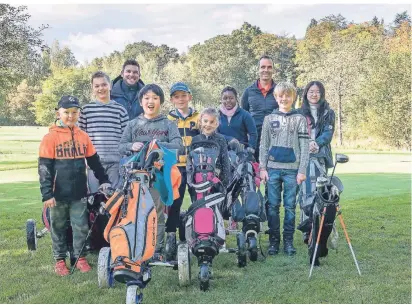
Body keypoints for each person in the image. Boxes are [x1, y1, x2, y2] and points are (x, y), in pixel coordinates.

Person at [38, 95, 111, 276]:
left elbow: (94, 161)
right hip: (57, 194)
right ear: (58, 113)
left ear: (78, 113)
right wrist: (47, 194)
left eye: (74, 112)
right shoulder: (50, 138)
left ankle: (80, 258)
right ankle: (60, 260)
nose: (70, 116)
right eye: (66, 112)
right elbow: (44, 169)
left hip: (79, 193)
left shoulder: (83, 136)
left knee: (81, 226)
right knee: (58, 226)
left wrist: (103, 179)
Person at [119, 84, 183, 258]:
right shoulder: (133, 124)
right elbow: (121, 146)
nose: (150, 101)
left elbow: (179, 146)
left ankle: (156, 248)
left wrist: (158, 145)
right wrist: (132, 145)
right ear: (141, 102)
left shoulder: (168, 124)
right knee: (134, 211)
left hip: (159, 176)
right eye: (147, 98)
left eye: (155, 98)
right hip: (135, 177)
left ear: (160, 102)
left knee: (156, 212)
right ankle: (135, 245)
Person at [259, 82, 309, 256]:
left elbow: (304, 146)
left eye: (288, 95)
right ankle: (274, 241)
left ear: (293, 97)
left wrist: (302, 170)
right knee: (272, 206)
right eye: (281, 96)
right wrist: (262, 168)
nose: (284, 99)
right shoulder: (269, 119)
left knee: (289, 207)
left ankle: (288, 241)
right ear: (276, 97)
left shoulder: (300, 119)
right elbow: (263, 145)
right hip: (272, 169)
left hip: (292, 171)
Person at [298, 81, 336, 243]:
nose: (314, 94)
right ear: (306, 94)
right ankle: (307, 229)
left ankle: (318, 227)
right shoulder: (299, 113)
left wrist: (316, 143)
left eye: (317, 91)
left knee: (320, 192)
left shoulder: (328, 112)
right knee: (305, 192)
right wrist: (306, 144)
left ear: (322, 94)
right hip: (303, 157)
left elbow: (328, 134)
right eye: (311, 91)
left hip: (320, 156)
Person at [166, 82, 200, 261]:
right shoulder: (168, 120)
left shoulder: (198, 118)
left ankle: (197, 235)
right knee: (174, 203)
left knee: (197, 202)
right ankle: (171, 237)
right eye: (176, 96)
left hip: (195, 166)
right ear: (172, 100)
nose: (180, 99)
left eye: (183, 95)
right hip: (176, 167)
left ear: (190, 97)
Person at [78, 71, 129, 191]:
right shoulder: (86, 110)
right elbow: (80, 138)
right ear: (92, 88)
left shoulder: (120, 110)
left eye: (104, 84)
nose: (101, 88)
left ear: (110, 85)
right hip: (94, 165)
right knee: (95, 201)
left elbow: (126, 138)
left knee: (114, 202)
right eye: (97, 86)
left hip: (115, 164)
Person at [241, 55, 279, 160]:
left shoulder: (280, 91)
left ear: (273, 69)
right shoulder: (248, 92)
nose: (266, 70)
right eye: (263, 67)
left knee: (273, 174)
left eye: (269, 67)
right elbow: (243, 116)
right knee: (254, 173)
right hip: (254, 141)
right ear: (258, 69)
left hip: (275, 141)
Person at [189, 108, 231, 194]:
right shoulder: (195, 140)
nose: (208, 124)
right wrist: (191, 181)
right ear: (200, 122)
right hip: (198, 181)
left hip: (216, 180)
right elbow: (190, 162)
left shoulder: (220, 139)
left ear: (216, 124)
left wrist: (224, 182)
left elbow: (225, 161)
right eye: (205, 121)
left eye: (211, 122)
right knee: (200, 206)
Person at [218, 86, 257, 154]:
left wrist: (250, 148)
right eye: (225, 98)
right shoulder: (217, 115)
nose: (228, 100)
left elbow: (253, 134)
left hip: (241, 153)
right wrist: (229, 139)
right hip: (221, 153)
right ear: (221, 100)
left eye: (231, 98)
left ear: (236, 99)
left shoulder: (245, 115)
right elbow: (214, 134)